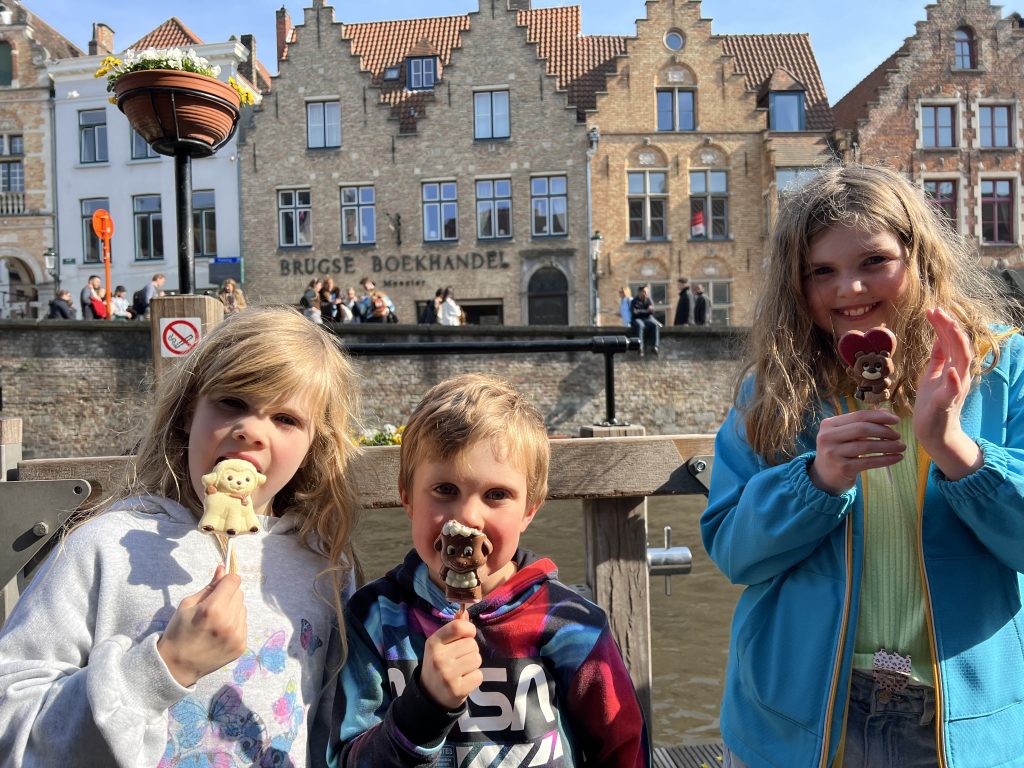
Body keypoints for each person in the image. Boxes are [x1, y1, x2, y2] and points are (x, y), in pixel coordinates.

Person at [700, 163, 1024, 768]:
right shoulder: (776, 390)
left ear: (919, 256)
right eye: (822, 271)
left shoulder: (1000, 368)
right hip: (804, 714)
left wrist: (956, 449)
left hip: (963, 720)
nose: (848, 289)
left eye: (874, 261)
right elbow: (733, 552)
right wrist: (815, 482)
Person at [0, 307, 364, 766]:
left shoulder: (325, 567)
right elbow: (11, 718)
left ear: (315, 444)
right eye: (232, 402)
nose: (251, 430)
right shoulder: (102, 547)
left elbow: (335, 732)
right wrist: (165, 666)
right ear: (189, 411)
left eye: (286, 419)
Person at [328, 373, 650, 766]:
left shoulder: (572, 624)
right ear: (407, 496)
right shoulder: (373, 618)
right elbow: (345, 759)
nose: (466, 518)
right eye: (445, 490)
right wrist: (422, 707)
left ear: (529, 509)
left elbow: (623, 747)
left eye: (497, 495)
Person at [630, 285, 660, 356]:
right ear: (639, 292)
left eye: (646, 292)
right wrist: (646, 311)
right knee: (641, 325)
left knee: (655, 325)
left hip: (646, 319)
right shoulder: (634, 301)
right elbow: (635, 313)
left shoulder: (648, 300)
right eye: (644, 292)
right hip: (637, 319)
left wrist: (641, 311)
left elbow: (652, 311)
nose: (645, 293)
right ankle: (640, 347)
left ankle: (655, 346)